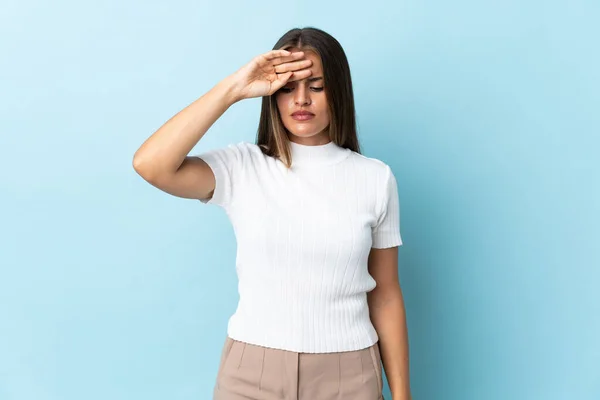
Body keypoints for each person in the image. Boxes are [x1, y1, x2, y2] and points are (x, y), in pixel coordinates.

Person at [133, 27, 412, 400]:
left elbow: (386, 294)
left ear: (338, 92)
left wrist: (402, 394)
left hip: (349, 375)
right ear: (271, 96)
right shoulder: (242, 167)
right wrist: (234, 88)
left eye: (316, 86)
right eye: (286, 88)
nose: (301, 100)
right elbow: (151, 165)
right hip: (251, 373)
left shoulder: (375, 179)